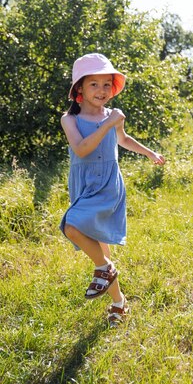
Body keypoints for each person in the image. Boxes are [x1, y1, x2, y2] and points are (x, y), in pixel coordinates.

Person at [60, 53, 165, 325]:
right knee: (102, 255)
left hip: (107, 184)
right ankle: (118, 302)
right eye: (94, 84)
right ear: (79, 89)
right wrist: (107, 123)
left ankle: (106, 272)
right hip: (84, 184)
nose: (102, 90)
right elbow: (82, 150)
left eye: (107, 84)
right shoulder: (69, 120)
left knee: (71, 225)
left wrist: (149, 152)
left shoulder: (113, 116)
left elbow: (123, 139)